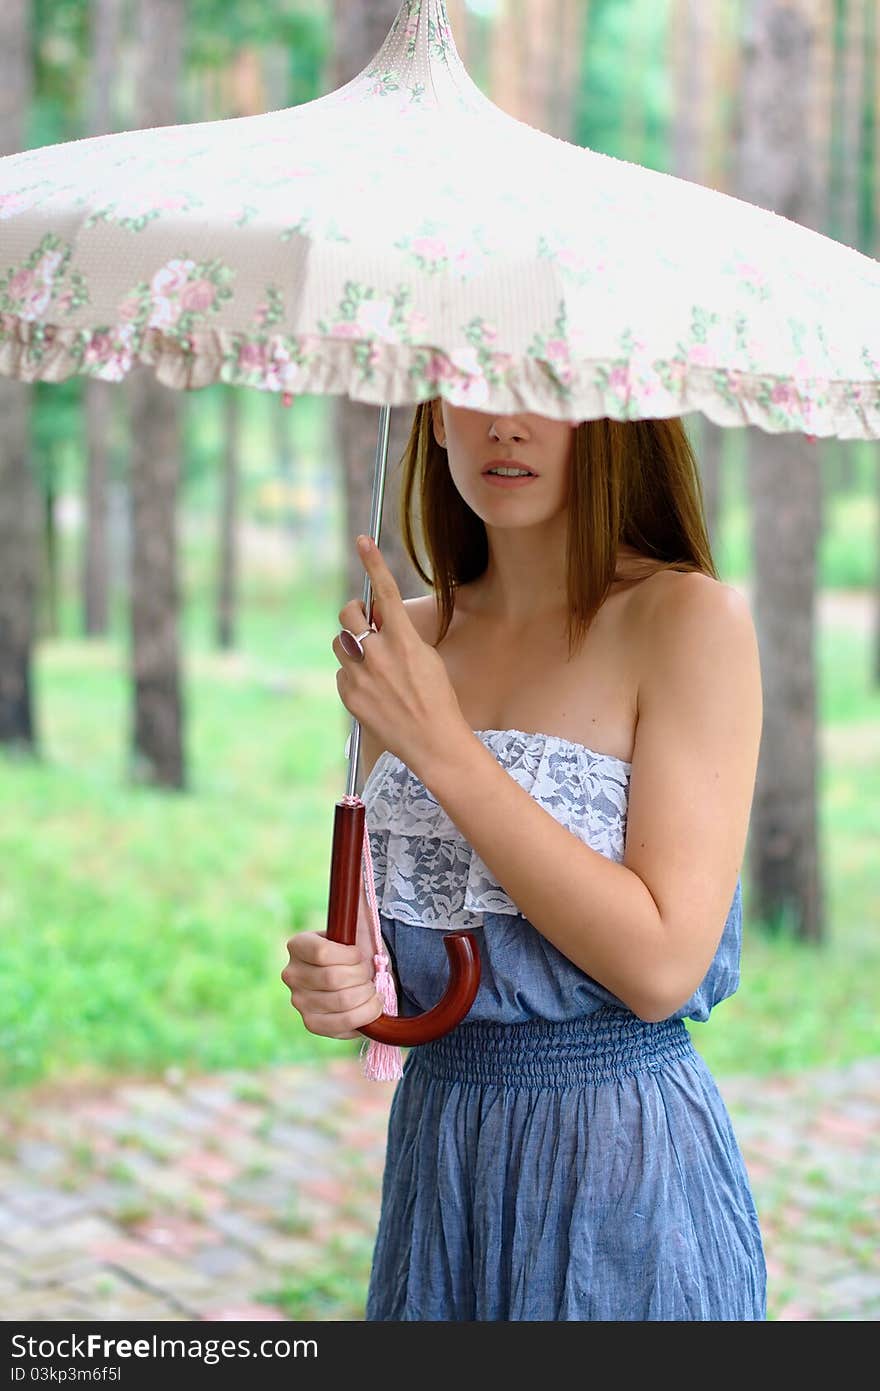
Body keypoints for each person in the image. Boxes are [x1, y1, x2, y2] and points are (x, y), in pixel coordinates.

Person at [281, 397, 767, 1321]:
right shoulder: (405, 643)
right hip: (439, 1156)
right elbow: (403, 951)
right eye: (472, 382)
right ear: (428, 414)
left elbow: (664, 967)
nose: (506, 423)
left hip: (620, 1162)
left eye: (546, 388)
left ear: (617, 408)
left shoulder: (686, 619)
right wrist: (348, 988)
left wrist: (445, 745)